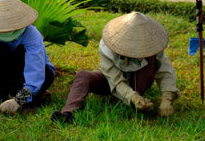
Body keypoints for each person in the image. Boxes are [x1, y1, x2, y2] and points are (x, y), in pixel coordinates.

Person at [51, 12, 180, 124]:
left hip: (140, 77)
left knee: (148, 67)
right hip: (110, 79)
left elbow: (166, 72)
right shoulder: (108, 45)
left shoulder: (152, 45)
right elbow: (115, 80)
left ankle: (133, 102)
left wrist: (167, 98)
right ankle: (68, 113)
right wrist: (132, 97)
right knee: (82, 76)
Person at [0, 0, 55, 114]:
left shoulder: (31, 34)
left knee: (22, 51)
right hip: (5, 76)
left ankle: (28, 98)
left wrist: (19, 100)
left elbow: (36, 71)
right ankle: (1, 94)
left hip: (35, 76)